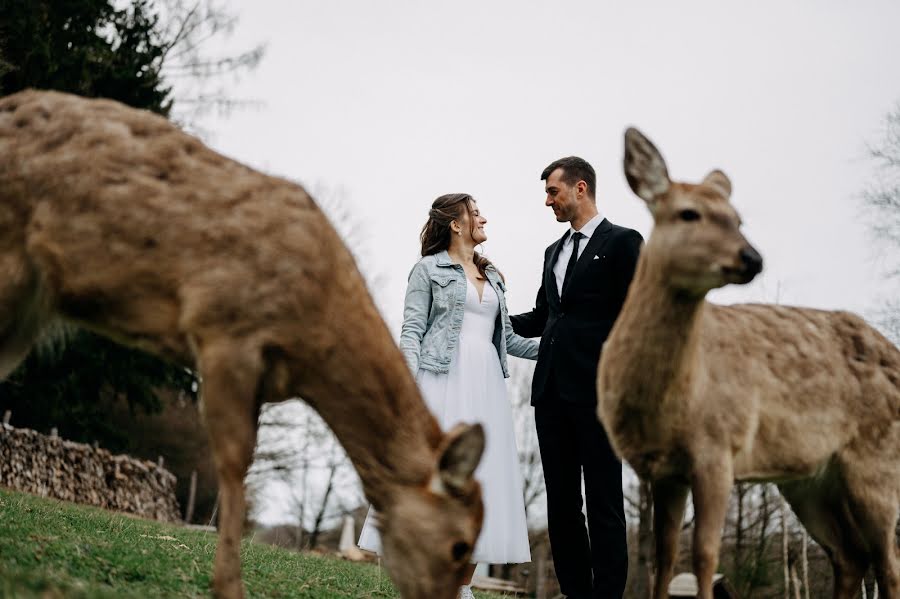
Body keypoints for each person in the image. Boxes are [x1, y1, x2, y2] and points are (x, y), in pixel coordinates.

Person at [358, 193, 538, 599]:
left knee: (484, 478)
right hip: (439, 379)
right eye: (475, 213)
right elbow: (412, 331)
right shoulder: (426, 270)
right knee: (433, 475)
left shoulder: (493, 278)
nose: (483, 218)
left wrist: (562, 345)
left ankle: (462, 587)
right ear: (455, 224)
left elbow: (508, 339)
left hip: (488, 384)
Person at [510, 157, 643, 599]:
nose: (548, 202)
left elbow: (638, 318)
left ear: (580, 188)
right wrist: (486, 315)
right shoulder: (553, 252)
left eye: (553, 192)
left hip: (600, 394)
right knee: (562, 506)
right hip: (549, 393)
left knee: (604, 503)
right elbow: (543, 317)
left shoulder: (624, 242)